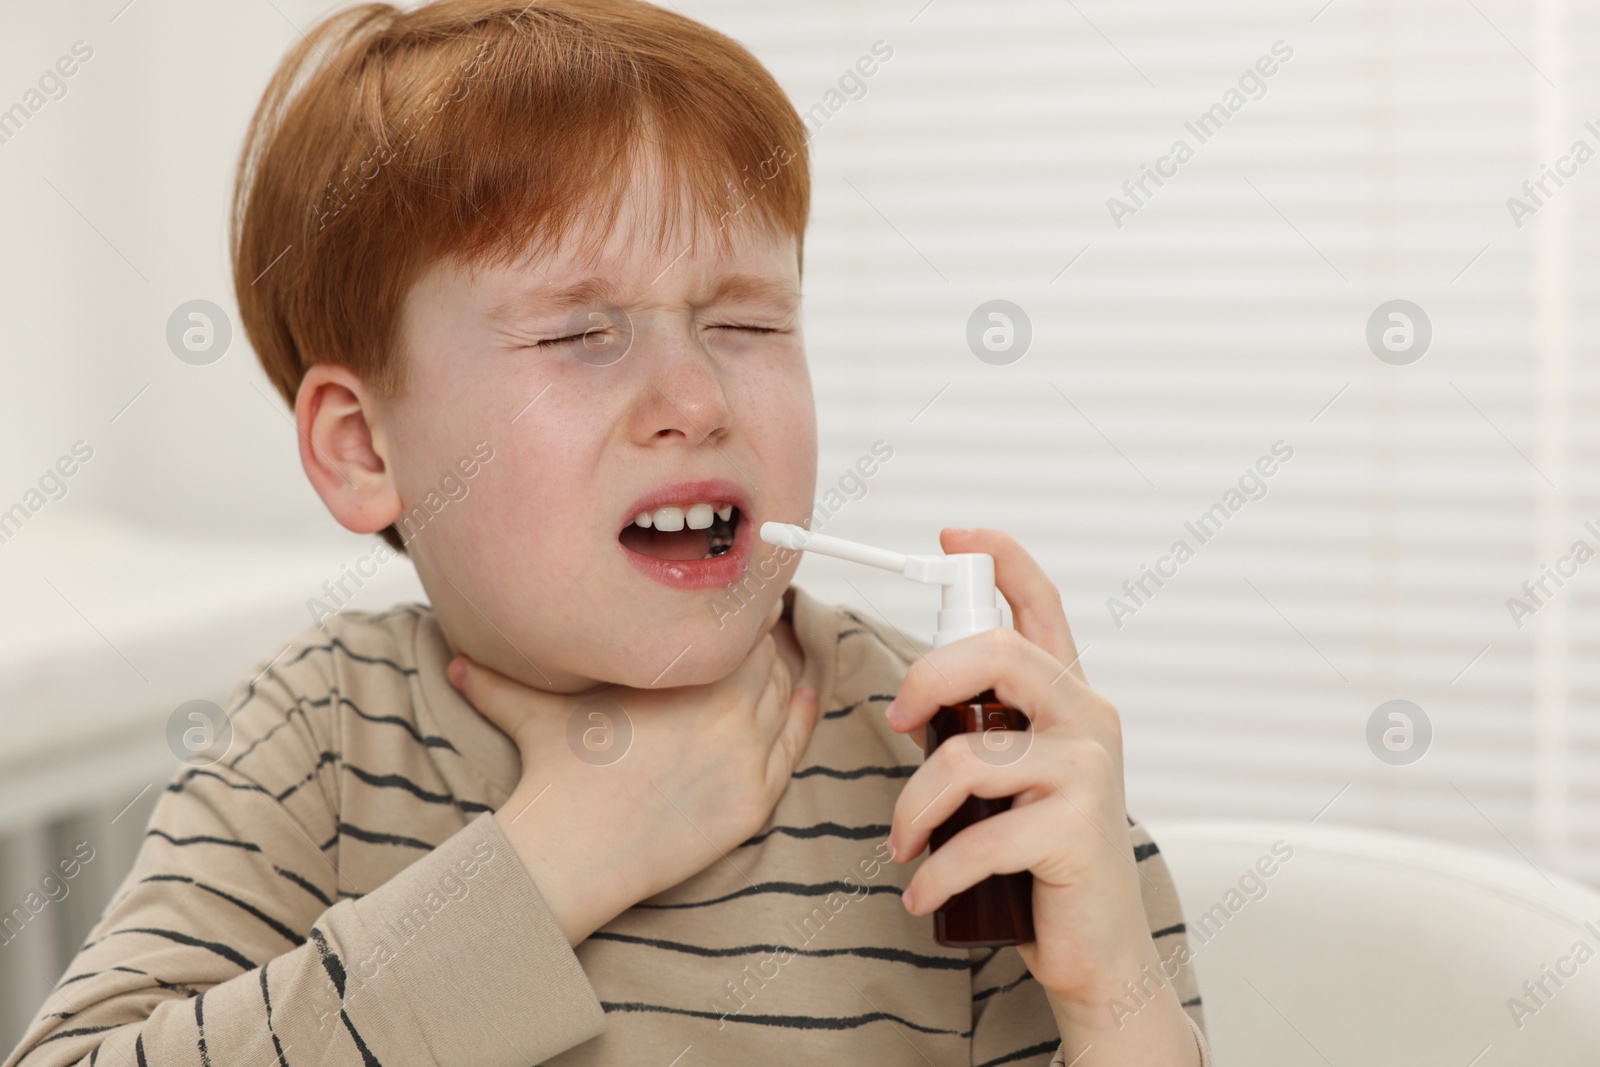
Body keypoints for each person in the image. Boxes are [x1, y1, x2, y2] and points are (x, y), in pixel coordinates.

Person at [5, 1, 1207, 1063]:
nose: (696, 401)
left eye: (745, 322)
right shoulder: (319, 740)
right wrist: (551, 862)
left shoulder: (946, 767)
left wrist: (1116, 1001)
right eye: (580, 333)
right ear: (366, 449)